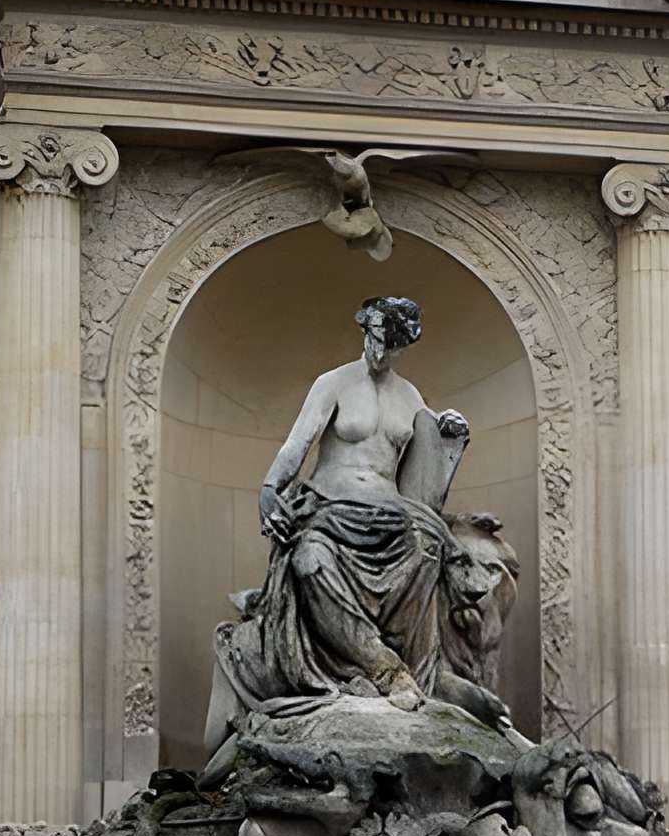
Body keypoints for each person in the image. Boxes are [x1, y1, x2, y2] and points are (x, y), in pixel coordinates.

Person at [206, 296, 512, 748]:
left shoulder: (411, 398)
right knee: (309, 560)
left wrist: (449, 446)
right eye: (376, 336)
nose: (381, 348)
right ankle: (382, 668)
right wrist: (271, 489)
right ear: (365, 330)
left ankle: (416, 673)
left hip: (391, 515)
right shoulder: (333, 383)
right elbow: (298, 444)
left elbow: (421, 493)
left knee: (429, 544)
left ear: (403, 343)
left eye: (391, 341)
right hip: (331, 509)